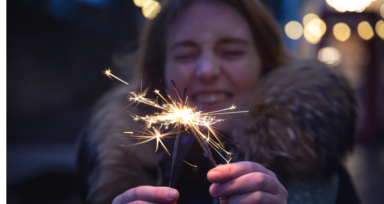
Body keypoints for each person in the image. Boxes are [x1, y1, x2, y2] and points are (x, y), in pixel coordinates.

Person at [77, 0, 360, 203]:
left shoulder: (317, 167)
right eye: (185, 55)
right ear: (159, 71)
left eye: (232, 52)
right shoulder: (111, 169)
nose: (207, 70)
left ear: (265, 62)